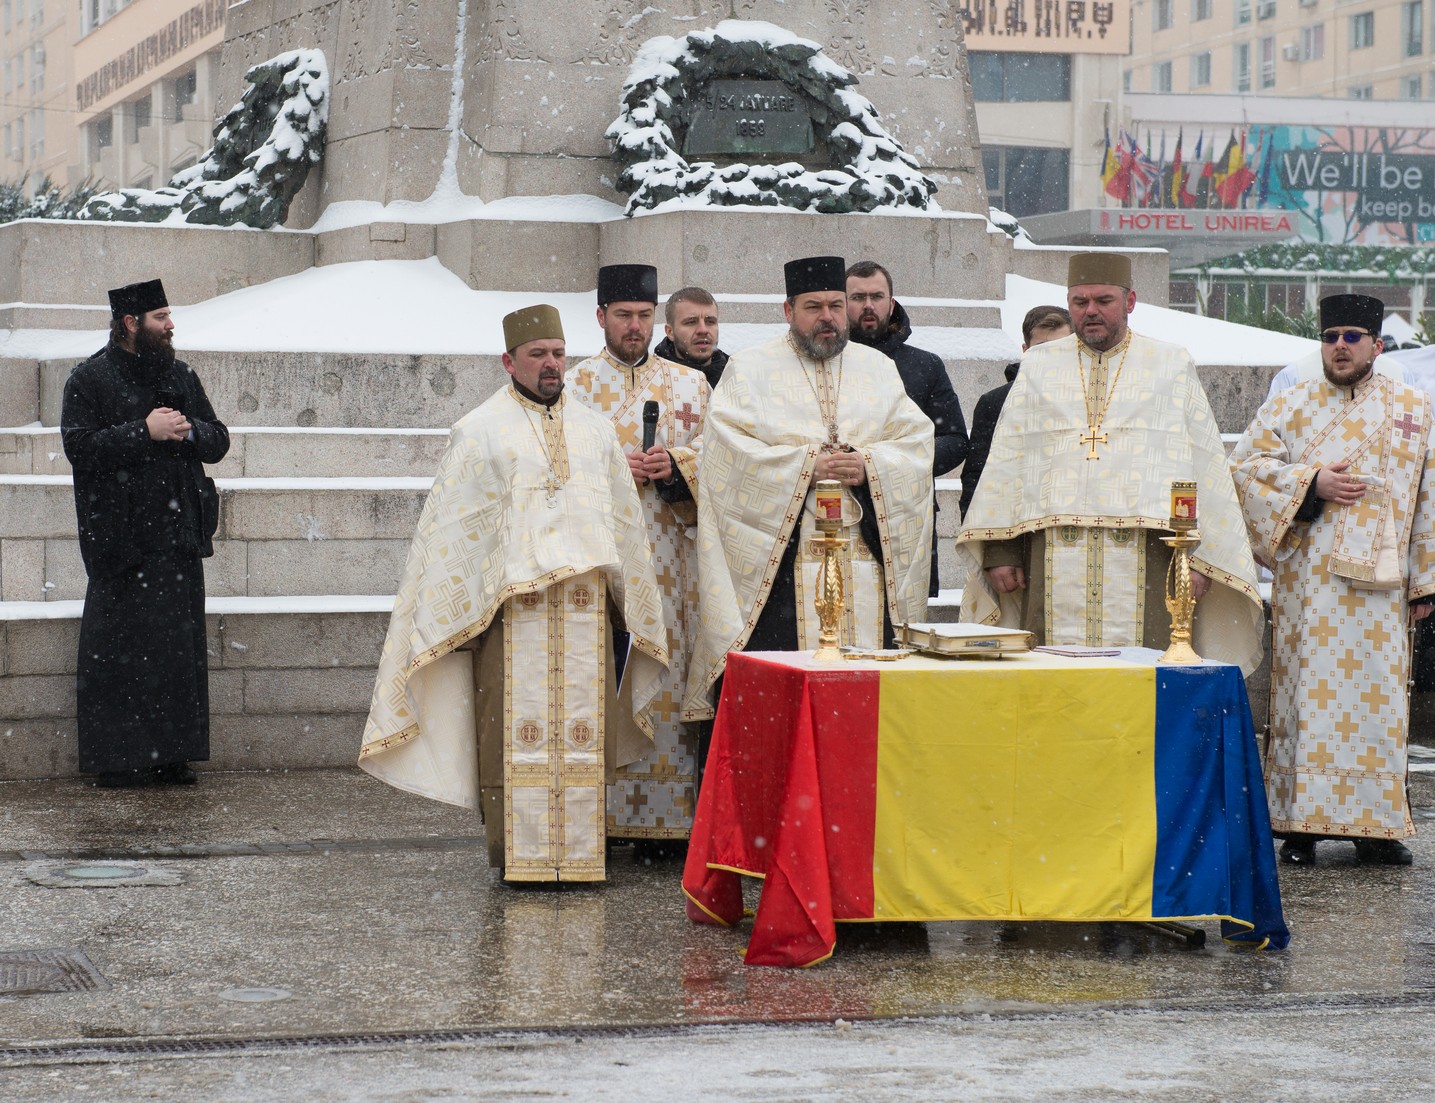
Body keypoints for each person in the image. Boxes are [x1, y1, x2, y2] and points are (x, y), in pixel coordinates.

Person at [359, 305, 669, 883]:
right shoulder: (479, 431)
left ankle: (581, 855)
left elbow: (623, 527)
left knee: (584, 736)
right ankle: (520, 860)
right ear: (509, 361)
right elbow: (456, 531)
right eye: (538, 354)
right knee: (508, 739)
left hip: (584, 613)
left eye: (558, 353)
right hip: (511, 616)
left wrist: (631, 605)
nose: (551, 364)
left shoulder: (596, 431)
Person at [956, 252, 1263, 670]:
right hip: (1051, 554)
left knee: (1142, 673)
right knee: (1051, 672)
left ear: (1130, 301)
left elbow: (1203, 468)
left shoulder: (1169, 363)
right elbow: (1010, 463)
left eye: (1103, 300)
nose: (1091, 311)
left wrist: (1198, 558)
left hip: (1149, 555)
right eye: (1079, 302)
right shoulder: (1038, 366)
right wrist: (1000, 550)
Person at [1231, 293, 1435, 867]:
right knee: (1307, 702)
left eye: (1351, 337)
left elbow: (1430, 492)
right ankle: (1299, 827)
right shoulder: (1290, 403)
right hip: (1310, 582)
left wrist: (1426, 580)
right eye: (1330, 337)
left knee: (1378, 703)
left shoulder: (1414, 409)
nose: (1339, 347)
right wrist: (1310, 484)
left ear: (1376, 344)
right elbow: (1245, 470)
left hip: (1384, 587)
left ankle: (1376, 829)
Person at [684, 255, 934, 720]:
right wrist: (804, 466)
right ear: (788, 310)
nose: (828, 318)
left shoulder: (878, 368)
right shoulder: (749, 369)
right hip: (781, 567)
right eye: (813, 307)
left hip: (864, 557)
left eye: (836, 306)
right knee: (779, 706)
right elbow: (726, 457)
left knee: (866, 705)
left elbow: (917, 443)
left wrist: (869, 465)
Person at [61, 279, 229, 789]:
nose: (170, 325)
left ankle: (171, 756)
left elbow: (218, 439)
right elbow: (79, 447)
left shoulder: (180, 374)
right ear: (131, 323)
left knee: (177, 654)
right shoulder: (89, 378)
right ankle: (118, 759)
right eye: (161, 317)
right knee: (118, 652)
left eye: (169, 315)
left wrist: (191, 430)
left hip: (176, 537)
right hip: (121, 540)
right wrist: (144, 430)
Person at [567, 265, 710, 853]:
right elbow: (555, 470)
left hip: (674, 560)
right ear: (601, 317)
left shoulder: (691, 386)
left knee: (669, 679)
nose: (634, 326)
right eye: (623, 315)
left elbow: (721, 464)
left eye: (644, 316)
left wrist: (678, 468)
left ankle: (667, 824)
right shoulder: (573, 386)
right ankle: (598, 819)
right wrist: (608, 472)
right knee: (605, 680)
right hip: (606, 560)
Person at [847, 260, 968, 595]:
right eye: (857, 297)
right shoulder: (825, 363)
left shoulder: (925, 365)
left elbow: (955, 440)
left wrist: (891, 463)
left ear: (891, 302)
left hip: (907, 512)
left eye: (876, 296)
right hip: (837, 511)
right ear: (842, 304)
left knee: (904, 620)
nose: (868, 305)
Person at [959, 305, 1072, 518]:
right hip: (1015, 520)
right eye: (1042, 349)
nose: (1052, 357)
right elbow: (977, 474)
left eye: (1061, 348)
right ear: (1025, 350)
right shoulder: (995, 402)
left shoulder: (1092, 398)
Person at [654, 286, 727, 388]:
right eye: (691, 322)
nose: (703, 330)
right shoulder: (649, 381)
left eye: (710, 322)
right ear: (670, 332)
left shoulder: (739, 377)